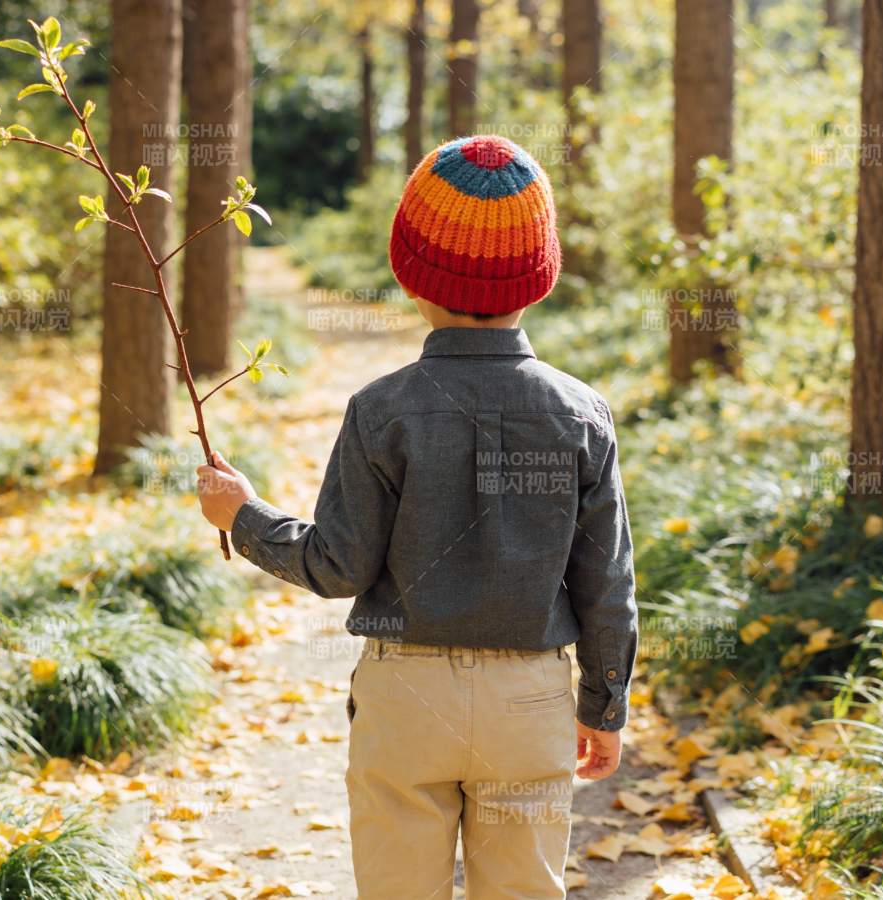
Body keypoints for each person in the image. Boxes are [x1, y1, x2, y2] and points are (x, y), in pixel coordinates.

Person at [196, 134, 636, 900]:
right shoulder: (582, 415)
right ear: (539, 277)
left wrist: (243, 516)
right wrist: (605, 703)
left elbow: (337, 566)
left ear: (412, 274)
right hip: (530, 699)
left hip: (406, 701)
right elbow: (607, 584)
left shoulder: (381, 410)